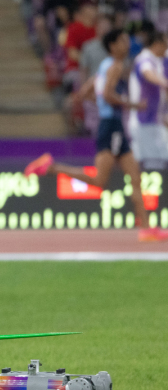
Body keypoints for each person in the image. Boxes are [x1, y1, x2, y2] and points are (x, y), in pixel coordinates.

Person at [25, 29, 168, 242]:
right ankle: (51, 168)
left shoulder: (104, 65)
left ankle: (147, 229)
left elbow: (84, 94)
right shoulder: (116, 66)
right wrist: (133, 105)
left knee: (135, 178)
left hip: (110, 125)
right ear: (113, 46)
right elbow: (108, 95)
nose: (127, 44)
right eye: (123, 41)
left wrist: (103, 103)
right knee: (100, 180)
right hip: (111, 127)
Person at [128, 32, 168, 170]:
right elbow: (147, 73)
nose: (166, 48)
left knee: (161, 160)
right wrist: (165, 83)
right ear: (157, 44)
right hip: (143, 120)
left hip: (156, 120)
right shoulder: (144, 59)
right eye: (165, 44)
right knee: (151, 164)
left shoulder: (158, 61)